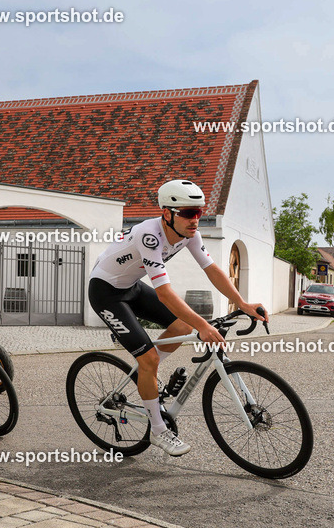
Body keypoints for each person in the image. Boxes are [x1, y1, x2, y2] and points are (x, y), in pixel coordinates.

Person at [88, 179, 267, 456]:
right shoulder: (149, 235)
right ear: (167, 214)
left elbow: (212, 269)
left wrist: (242, 303)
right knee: (148, 358)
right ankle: (158, 430)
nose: (195, 219)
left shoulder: (190, 234)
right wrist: (203, 325)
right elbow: (165, 293)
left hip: (131, 286)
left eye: (199, 213)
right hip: (105, 292)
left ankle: (147, 376)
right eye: (188, 213)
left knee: (181, 328)